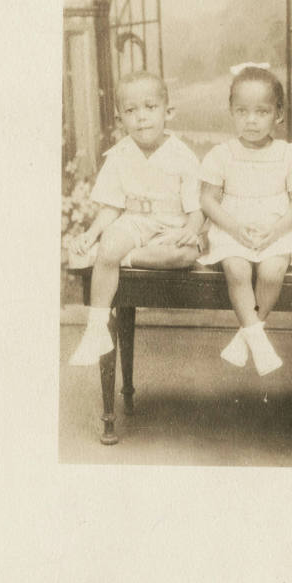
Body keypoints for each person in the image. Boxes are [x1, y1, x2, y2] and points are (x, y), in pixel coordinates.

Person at [69, 70, 203, 365]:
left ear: (168, 111)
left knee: (186, 254)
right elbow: (112, 207)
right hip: (134, 223)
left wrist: (191, 230)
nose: (141, 117)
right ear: (120, 119)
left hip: (171, 227)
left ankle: (122, 257)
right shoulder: (119, 156)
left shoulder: (183, 156)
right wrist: (92, 233)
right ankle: (96, 328)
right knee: (110, 240)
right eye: (131, 111)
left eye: (150, 107)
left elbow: (196, 210)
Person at [199, 64, 292, 376]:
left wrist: (275, 231)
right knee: (236, 268)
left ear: (278, 114)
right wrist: (234, 228)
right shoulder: (222, 154)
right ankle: (258, 339)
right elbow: (207, 198)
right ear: (231, 112)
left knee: (273, 272)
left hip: (277, 226)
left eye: (262, 111)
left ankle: (246, 337)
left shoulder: (289, 154)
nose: (251, 120)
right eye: (242, 111)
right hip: (233, 226)